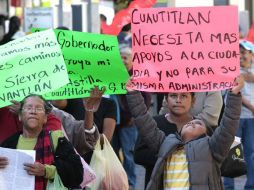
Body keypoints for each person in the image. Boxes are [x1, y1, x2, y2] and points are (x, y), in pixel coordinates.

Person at [126, 75, 244, 190]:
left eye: (198, 123)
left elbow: (229, 124)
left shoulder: (212, 149)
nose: (193, 123)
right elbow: (142, 119)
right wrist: (132, 93)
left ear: (206, 134)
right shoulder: (165, 146)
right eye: (173, 95)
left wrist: (234, 95)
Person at [0, 94, 83, 190]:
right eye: (28, 108)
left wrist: (46, 171)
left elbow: (77, 173)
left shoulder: (57, 139)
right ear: (20, 116)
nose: (33, 111)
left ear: (45, 118)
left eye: (39, 108)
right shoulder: (8, 145)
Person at [224, 40, 254, 190]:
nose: (240, 56)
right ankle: (229, 186)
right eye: (238, 53)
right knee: (233, 152)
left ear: (252, 54)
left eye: (244, 52)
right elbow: (233, 93)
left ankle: (251, 185)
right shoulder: (231, 70)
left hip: (251, 120)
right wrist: (250, 105)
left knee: (251, 153)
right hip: (235, 118)